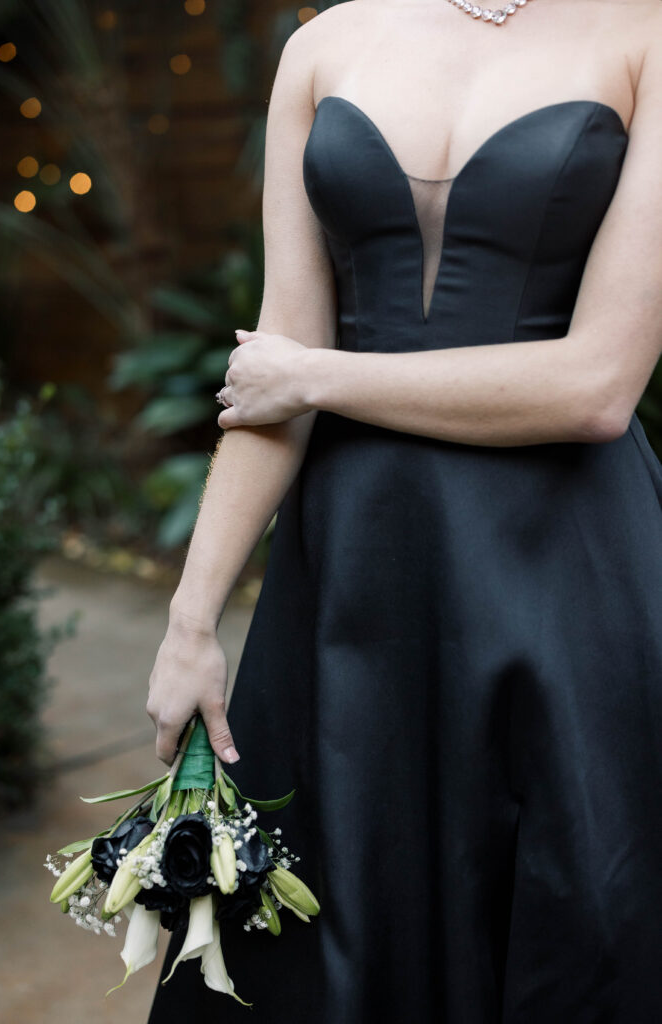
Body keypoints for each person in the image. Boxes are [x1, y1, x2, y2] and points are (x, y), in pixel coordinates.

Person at [147, 0, 662, 1019]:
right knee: (327, 920)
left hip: (563, 571)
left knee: (575, 915)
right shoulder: (322, 44)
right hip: (350, 576)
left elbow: (596, 385)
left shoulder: (643, 36)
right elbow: (271, 373)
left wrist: (319, 378)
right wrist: (190, 617)